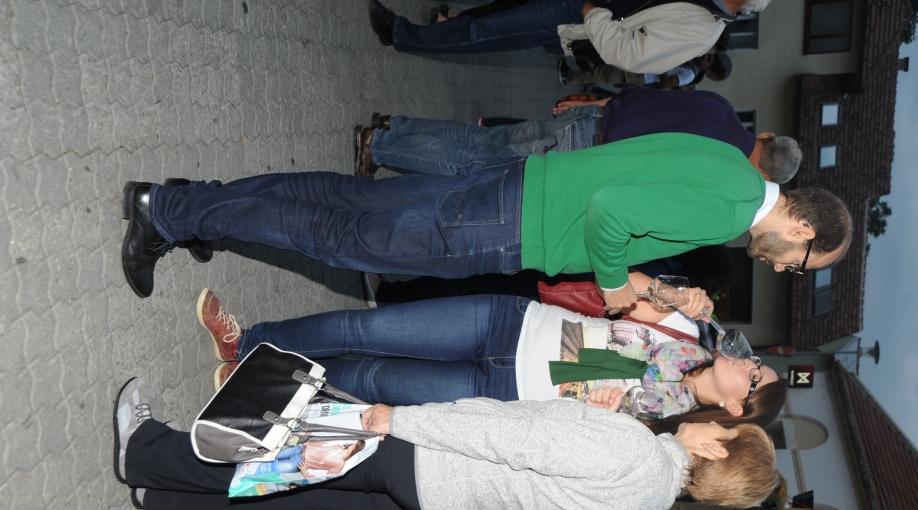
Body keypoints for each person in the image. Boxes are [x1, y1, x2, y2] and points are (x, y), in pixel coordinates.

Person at [119, 132, 851, 304]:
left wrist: (642, 283)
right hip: (511, 226)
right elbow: (613, 212)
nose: (787, 269)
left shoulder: (733, 167)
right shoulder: (730, 209)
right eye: (800, 263)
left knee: (347, 200)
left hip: (521, 190)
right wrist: (614, 285)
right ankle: (168, 211)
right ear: (803, 229)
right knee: (342, 236)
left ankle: (197, 204)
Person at [114, 379, 780, 510]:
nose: (712, 419)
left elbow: (509, 440)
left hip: (429, 460)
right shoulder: (645, 509)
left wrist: (398, 420)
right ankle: (165, 497)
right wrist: (594, 418)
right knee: (302, 497)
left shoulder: (635, 450)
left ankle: (146, 454)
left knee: (284, 460)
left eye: (724, 427)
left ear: (716, 447)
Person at [195, 276, 787, 429]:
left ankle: (260, 378)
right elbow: (623, 287)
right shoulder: (688, 331)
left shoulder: (668, 428)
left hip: (504, 394)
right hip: (510, 326)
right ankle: (245, 341)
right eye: (758, 361)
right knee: (367, 327)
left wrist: (605, 421)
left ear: (737, 409)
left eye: (754, 378)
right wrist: (670, 294)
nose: (749, 363)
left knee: (371, 378)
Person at [356, 88, 801, 183]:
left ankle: (395, 125)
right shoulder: (716, 164)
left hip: (592, 120)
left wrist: (594, 101)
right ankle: (380, 146)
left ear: (767, 136)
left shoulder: (720, 106)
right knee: (477, 162)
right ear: (763, 175)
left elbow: (648, 95)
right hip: (588, 152)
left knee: (485, 140)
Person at [369, 0, 772, 76]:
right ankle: (445, 24)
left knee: (486, 33)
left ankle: (402, 35)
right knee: (496, 14)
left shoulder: (704, 30)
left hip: (577, 18)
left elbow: (630, 55)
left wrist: (591, 13)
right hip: (581, 7)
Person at [561, 51, 732, 89]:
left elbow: (666, 84)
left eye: (708, 60)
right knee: (605, 65)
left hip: (641, 75)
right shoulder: (692, 58)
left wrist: (664, 65)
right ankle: (574, 71)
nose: (705, 56)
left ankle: (568, 77)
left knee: (604, 74)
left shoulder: (689, 74)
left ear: (709, 71)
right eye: (709, 55)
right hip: (643, 64)